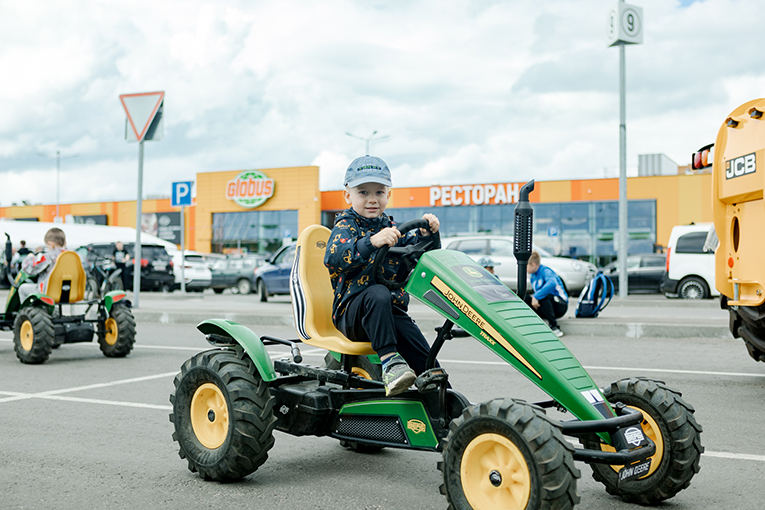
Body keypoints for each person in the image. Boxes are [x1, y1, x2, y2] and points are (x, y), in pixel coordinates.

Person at [325, 155, 440, 397]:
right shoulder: (346, 226)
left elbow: (419, 257)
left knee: (418, 347)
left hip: (387, 314)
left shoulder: (393, 229)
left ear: (388, 194)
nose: (372, 199)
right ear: (348, 196)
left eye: (379, 192)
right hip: (352, 316)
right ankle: (390, 363)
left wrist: (427, 235)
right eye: (363, 192)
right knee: (377, 293)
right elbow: (334, 257)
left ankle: (440, 398)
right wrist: (371, 242)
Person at [17, 228, 67, 303]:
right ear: (65, 243)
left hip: (48, 290)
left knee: (22, 288)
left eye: (47, 246)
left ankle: (26, 312)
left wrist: (29, 258)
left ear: (51, 244)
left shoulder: (48, 256)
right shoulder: (73, 256)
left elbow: (29, 269)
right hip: (67, 291)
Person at [525, 251, 568, 338]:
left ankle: (554, 327)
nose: (524, 268)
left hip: (560, 305)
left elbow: (552, 283)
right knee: (525, 298)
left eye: (526, 265)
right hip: (546, 306)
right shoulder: (533, 275)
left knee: (543, 296)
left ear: (533, 265)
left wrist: (536, 296)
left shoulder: (545, 271)